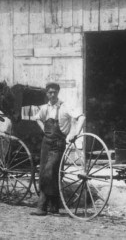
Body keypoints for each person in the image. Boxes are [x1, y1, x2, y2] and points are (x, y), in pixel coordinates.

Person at [30, 82, 85, 216]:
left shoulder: (65, 107)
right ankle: (53, 207)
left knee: (48, 172)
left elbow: (82, 117)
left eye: (54, 92)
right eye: (49, 92)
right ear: (47, 94)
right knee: (46, 172)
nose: (52, 95)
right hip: (45, 145)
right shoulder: (45, 108)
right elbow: (37, 118)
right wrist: (43, 129)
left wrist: (75, 133)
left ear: (58, 92)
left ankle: (41, 207)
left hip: (58, 145)